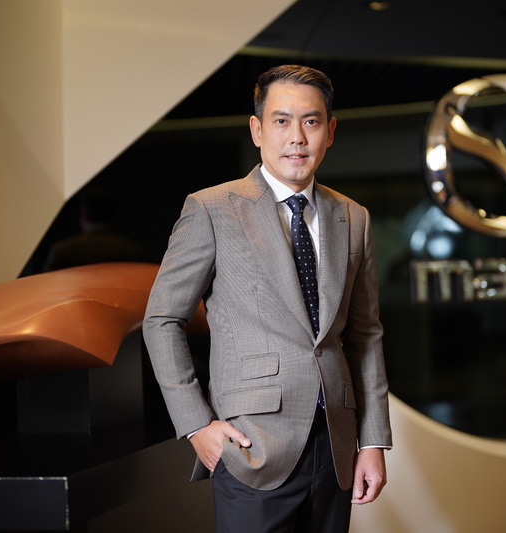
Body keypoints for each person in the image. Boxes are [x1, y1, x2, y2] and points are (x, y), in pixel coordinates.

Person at [142, 64, 392, 532]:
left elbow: (366, 335)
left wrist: (373, 440)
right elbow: (161, 320)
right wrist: (197, 425)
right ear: (257, 130)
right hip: (251, 446)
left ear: (330, 131)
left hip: (336, 447)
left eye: (311, 121)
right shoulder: (211, 208)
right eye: (281, 121)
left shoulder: (353, 216)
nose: (297, 137)